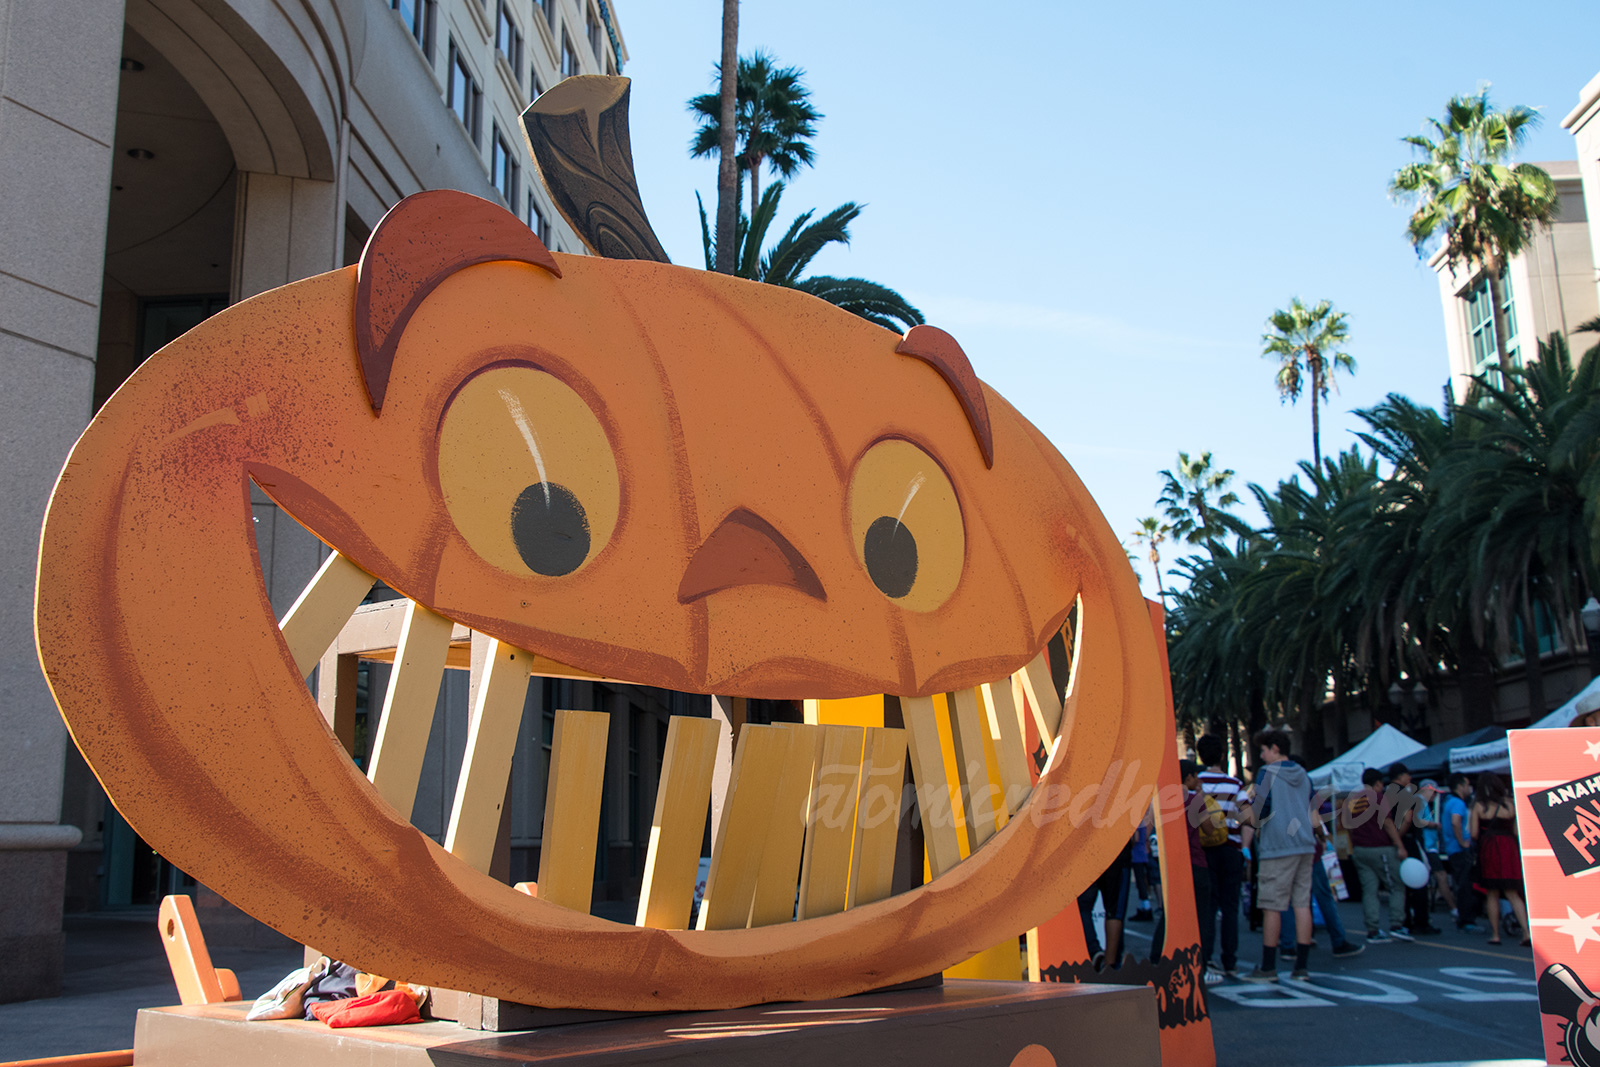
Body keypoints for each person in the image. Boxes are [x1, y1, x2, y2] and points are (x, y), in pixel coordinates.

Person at [1242, 728, 1317, 982]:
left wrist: (1244, 830)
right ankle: (1301, 967)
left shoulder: (1268, 774)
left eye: (1263, 750)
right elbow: (1313, 810)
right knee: (1301, 903)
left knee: (1271, 905)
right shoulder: (1304, 775)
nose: (1261, 756)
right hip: (1305, 845)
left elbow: (1259, 811)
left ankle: (1267, 967)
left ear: (1275, 748)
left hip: (1278, 847)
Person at [1196, 733, 1252, 979]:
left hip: (1203, 852)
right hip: (1231, 850)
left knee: (1208, 906)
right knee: (1230, 907)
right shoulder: (1235, 784)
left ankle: (1205, 958)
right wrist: (1244, 847)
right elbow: (1249, 818)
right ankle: (1230, 960)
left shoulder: (1194, 782)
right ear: (1221, 755)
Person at [1341, 767, 1414, 943]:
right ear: (1379, 783)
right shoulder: (1378, 798)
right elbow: (1388, 823)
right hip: (1381, 848)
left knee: (1369, 890)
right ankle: (1397, 924)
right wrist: (1400, 845)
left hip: (1360, 849)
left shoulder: (1352, 799)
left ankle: (1372, 929)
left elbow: (1347, 825)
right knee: (1396, 886)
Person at [1471, 771, 1530, 946]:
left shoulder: (1479, 806)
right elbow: (1517, 832)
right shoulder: (1511, 804)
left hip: (1489, 849)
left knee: (1492, 893)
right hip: (1509, 848)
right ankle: (1526, 933)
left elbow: (1474, 833)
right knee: (1513, 892)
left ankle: (1495, 935)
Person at [1179, 760, 1220, 986]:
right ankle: (1201, 964)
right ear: (1188, 778)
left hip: (1174, 863)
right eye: (1196, 776)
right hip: (1196, 861)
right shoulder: (1194, 800)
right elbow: (1209, 829)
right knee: (1202, 916)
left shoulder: (1164, 799)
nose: (1199, 780)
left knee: (1172, 914)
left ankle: (1160, 958)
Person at [1388, 763, 1441, 935]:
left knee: (1400, 882)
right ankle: (1421, 920)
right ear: (1401, 776)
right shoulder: (1404, 794)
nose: (1409, 778)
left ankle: (1406, 920)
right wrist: (1400, 838)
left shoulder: (1385, 795)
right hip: (1408, 841)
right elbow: (1408, 818)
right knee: (1419, 881)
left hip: (1393, 842)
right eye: (1408, 775)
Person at [1079, 833, 1134, 967]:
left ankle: (1094, 951)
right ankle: (1109, 965)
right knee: (1114, 912)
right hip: (1118, 848)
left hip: (1088, 850)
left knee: (1083, 907)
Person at [1443, 773, 1480, 931]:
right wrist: (1462, 842)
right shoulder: (1458, 803)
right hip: (1459, 849)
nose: (1469, 788)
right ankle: (1467, 920)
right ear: (1460, 786)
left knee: (1461, 884)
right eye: (1467, 784)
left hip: (1452, 848)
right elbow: (1455, 822)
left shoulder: (1449, 801)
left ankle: (1463, 918)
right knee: (1465, 885)